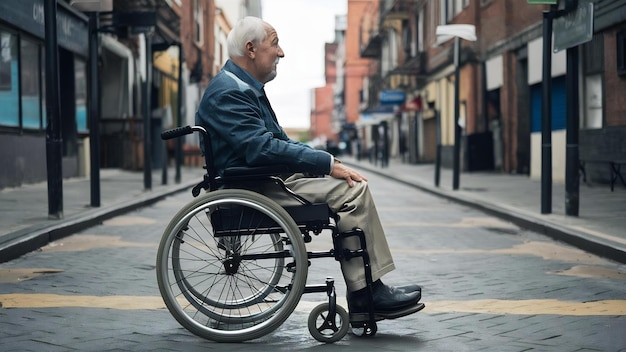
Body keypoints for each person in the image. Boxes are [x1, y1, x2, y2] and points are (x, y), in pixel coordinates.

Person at [195, 16, 421, 319]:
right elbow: (261, 149)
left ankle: (367, 289)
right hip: (254, 187)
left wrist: (325, 163)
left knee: (346, 182)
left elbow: (279, 142)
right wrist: (326, 164)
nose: (281, 52)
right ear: (250, 49)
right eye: (274, 44)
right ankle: (366, 294)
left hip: (262, 180)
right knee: (352, 192)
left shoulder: (243, 87)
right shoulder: (230, 92)